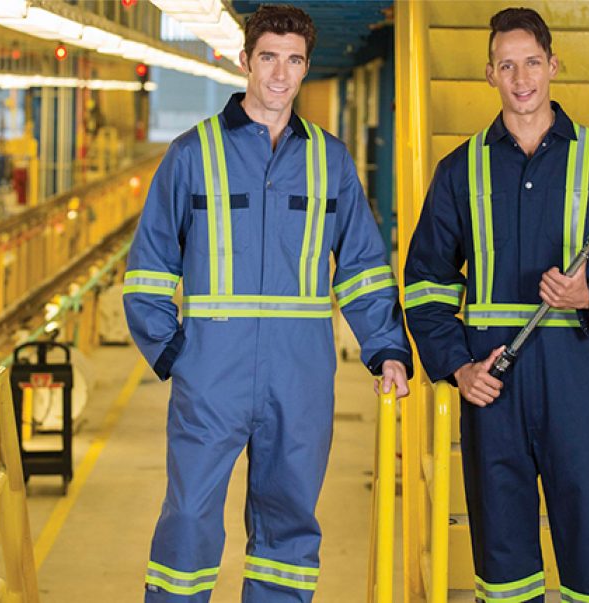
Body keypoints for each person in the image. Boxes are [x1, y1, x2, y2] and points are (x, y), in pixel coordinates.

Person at [123, 5, 411, 601]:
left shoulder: (329, 161)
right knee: (188, 519)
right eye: (269, 58)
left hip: (300, 374)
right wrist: (174, 350)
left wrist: (385, 346)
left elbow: (360, 263)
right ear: (245, 61)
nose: (281, 74)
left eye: (295, 60)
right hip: (212, 371)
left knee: (290, 524)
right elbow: (149, 266)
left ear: (306, 67)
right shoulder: (192, 154)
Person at [404, 7, 589, 603]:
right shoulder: (459, 170)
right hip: (492, 381)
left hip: (576, 374)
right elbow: (425, 284)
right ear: (490, 75)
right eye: (506, 65)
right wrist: (456, 366)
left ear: (552, 65)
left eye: (531, 62)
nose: (521, 77)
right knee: (501, 553)